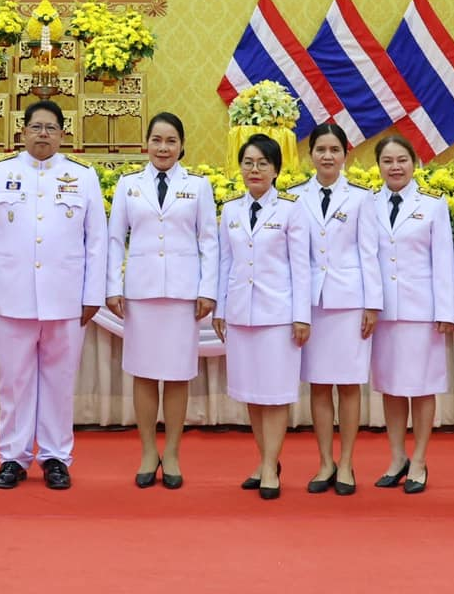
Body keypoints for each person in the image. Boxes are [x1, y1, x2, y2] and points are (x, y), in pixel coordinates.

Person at [0, 99, 106, 490]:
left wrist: (92, 293)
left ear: (63, 134)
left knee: (60, 381)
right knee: (12, 381)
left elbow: (96, 240)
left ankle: (55, 457)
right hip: (12, 296)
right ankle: (12, 457)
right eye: (36, 127)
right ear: (22, 131)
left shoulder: (83, 176)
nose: (43, 134)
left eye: (50, 128)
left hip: (66, 297)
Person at [104, 112, 216, 490]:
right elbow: (115, 238)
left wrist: (208, 289)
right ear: (146, 144)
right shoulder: (129, 184)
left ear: (182, 145)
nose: (163, 147)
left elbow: (209, 241)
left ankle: (172, 454)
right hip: (142, 292)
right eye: (157, 140)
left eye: (171, 141)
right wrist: (112, 286)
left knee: (179, 374)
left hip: (184, 294)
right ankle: (148, 450)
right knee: (145, 372)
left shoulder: (198, 186)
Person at [213, 134, 312, 501]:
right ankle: (264, 458)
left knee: (275, 394)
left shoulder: (291, 209)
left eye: (263, 163)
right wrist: (221, 309)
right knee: (251, 393)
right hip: (241, 314)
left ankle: (271, 465)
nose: (255, 170)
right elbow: (226, 263)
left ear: (275, 169)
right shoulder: (231, 209)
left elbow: (302, 268)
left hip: (278, 315)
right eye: (248, 163)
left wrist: (301, 316)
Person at [292, 123, 381, 495]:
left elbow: (369, 253)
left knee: (347, 385)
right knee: (318, 384)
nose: (327, 156)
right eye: (320, 149)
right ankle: (325, 461)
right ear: (310, 154)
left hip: (349, 302)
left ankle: (346, 463)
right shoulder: (294, 197)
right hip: (311, 302)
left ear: (346, 154)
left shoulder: (362, 198)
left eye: (334, 149)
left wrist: (372, 304)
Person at [367, 133, 454, 494]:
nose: (395, 167)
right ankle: (396, 456)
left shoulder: (432, 204)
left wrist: (446, 310)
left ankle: (419, 459)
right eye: (387, 161)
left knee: (420, 388)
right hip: (383, 310)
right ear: (379, 166)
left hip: (422, 310)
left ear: (415, 163)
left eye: (402, 160)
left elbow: (443, 262)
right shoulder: (367, 204)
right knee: (390, 387)